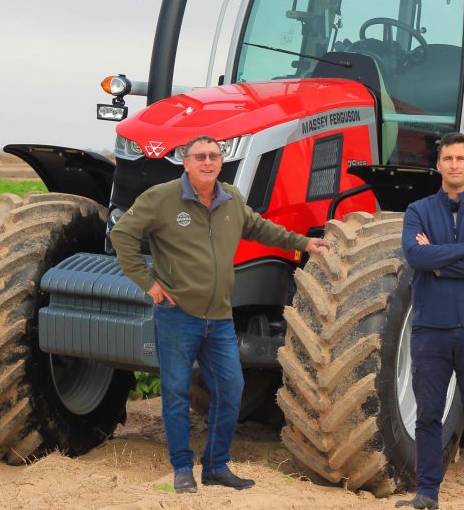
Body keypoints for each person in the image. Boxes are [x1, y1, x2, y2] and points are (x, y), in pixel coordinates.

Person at [109, 135, 330, 494]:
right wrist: (148, 284)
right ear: (186, 162)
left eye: (214, 156)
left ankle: (216, 466)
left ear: (221, 161)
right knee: (176, 392)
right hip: (177, 315)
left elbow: (260, 228)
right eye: (200, 156)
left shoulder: (230, 198)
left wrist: (304, 243)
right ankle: (182, 468)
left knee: (231, 389)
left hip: (220, 318)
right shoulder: (162, 198)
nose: (208, 162)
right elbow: (122, 235)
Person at [396, 132, 464, 510]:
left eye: (461, 159)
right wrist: (463, 251)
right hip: (431, 331)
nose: (455, 165)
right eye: (448, 159)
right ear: (439, 165)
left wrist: (440, 262)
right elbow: (415, 256)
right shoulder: (418, 210)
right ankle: (426, 493)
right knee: (428, 414)